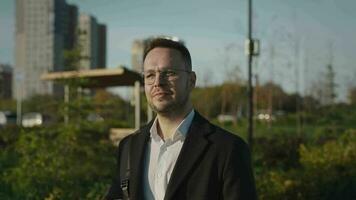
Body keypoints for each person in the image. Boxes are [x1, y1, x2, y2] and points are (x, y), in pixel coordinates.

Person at [105, 37, 257, 200]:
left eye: (169, 73)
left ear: (191, 81)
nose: (158, 82)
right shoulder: (128, 146)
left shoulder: (228, 149)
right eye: (150, 75)